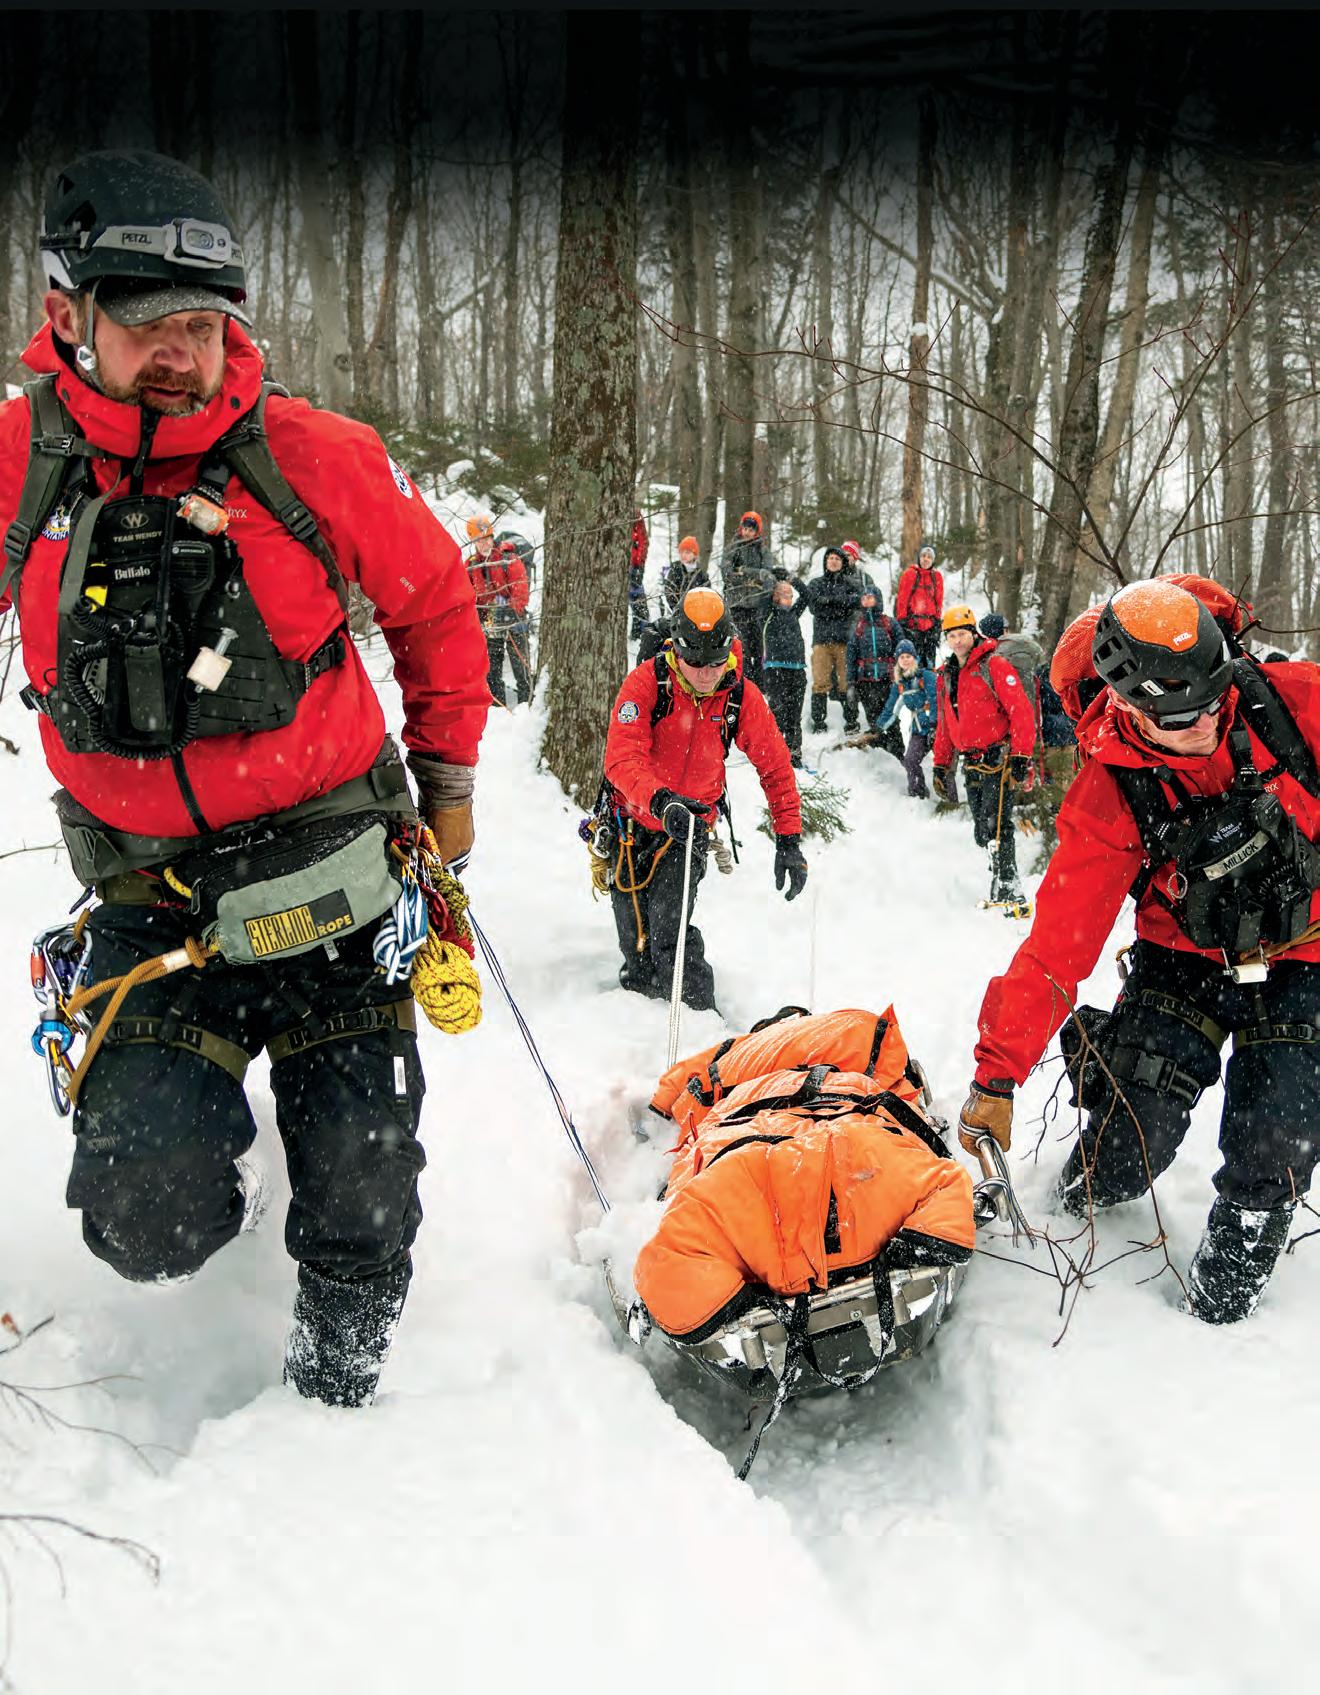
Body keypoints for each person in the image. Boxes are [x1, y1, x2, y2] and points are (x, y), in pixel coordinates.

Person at [0, 150, 491, 1408]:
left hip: (333, 869)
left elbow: (435, 603)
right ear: (66, 316)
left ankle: (334, 1407)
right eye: (149, 324)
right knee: (145, 1216)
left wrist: (446, 774)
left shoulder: (312, 459)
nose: (184, 351)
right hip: (153, 903)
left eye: (205, 325)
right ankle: (223, 1144)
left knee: (364, 1196)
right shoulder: (22, 466)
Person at [958, 578, 1320, 1325]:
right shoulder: (1108, 792)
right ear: (1130, 706)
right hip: (1182, 955)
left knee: (1275, 1139)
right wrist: (996, 1076)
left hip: (1304, 951)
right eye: (1181, 718)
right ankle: (1079, 1197)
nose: (1205, 727)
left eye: (1215, 702)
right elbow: (1057, 947)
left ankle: (1219, 1316)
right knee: (1134, 1129)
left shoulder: (1292, 701)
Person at [603, 588, 805, 1009]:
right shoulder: (646, 684)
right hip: (633, 821)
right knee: (634, 941)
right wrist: (660, 801)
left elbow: (776, 767)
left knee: (670, 933)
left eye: (714, 663)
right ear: (677, 650)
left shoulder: (739, 695)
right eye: (695, 663)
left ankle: (698, 1017)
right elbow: (621, 760)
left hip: (690, 827)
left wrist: (788, 838)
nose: (705, 674)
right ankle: (636, 1015)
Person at [932, 605, 1035, 910]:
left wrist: (1020, 755)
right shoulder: (948, 676)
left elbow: (1021, 712)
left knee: (998, 822)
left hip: (999, 756)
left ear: (973, 633)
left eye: (962, 634)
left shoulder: (995, 665)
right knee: (982, 829)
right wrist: (941, 763)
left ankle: (1009, 885)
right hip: (970, 760)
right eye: (952, 636)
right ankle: (998, 870)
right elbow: (946, 722)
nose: (958, 641)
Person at [465, 516, 531, 707]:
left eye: (487, 538)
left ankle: (525, 706)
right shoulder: (470, 566)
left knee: (521, 666)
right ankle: (498, 706)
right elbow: (463, 594)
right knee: (492, 669)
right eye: (479, 540)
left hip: (513, 619)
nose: (484, 543)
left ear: (493, 538)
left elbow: (521, 590)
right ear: (473, 542)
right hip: (489, 623)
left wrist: (511, 611)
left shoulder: (508, 559)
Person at [801, 544, 864, 734]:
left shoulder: (851, 583)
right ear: (825, 562)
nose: (833, 561)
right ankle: (819, 722)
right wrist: (839, 604)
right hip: (821, 640)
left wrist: (829, 601)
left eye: (837, 559)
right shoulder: (816, 583)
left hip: (844, 640)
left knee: (846, 681)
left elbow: (855, 602)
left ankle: (851, 722)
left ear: (843, 563)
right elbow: (814, 607)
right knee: (820, 681)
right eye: (830, 558)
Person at [846, 586, 905, 760]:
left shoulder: (890, 623)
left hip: (887, 680)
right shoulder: (858, 626)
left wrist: (902, 673)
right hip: (866, 681)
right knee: (873, 719)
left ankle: (898, 753)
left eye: (870, 597)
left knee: (891, 718)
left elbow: (902, 648)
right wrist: (850, 683)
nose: (866, 601)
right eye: (863, 598)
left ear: (877, 599)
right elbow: (851, 655)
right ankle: (880, 754)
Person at [718, 511, 776, 684]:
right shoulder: (732, 548)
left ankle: (760, 684)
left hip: (757, 605)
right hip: (736, 604)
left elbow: (767, 575)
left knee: (758, 647)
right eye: (745, 527)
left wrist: (743, 571)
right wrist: (754, 575)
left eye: (752, 528)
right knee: (740, 647)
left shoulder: (763, 550)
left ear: (757, 531)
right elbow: (727, 574)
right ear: (741, 528)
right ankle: (741, 681)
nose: (748, 532)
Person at [876, 640, 938, 798]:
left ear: (915, 658)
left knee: (943, 765)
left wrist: (934, 724)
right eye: (901, 657)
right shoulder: (900, 684)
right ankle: (918, 794)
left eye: (908, 656)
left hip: (938, 727)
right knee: (910, 760)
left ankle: (952, 804)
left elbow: (935, 699)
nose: (905, 659)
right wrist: (879, 727)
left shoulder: (926, 675)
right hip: (919, 729)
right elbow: (891, 708)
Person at [758, 577, 809, 767]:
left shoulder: (794, 613)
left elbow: (807, 595)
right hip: (775, 668)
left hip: (796, 669)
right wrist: (772, 584)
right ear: (776, 596)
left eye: (790, 594)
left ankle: (794, 752)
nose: (789, 597)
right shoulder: (767, 613)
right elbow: (763, 599)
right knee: (778, 711)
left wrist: (794, 580)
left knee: (794, 713)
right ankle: (776, 752)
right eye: (784, 594)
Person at [895, 541, 945, 666]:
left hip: (930, 627)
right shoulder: (910, 574)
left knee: (929, 664)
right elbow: (902, 599)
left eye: (929, 557)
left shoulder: (937, 577)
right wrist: (902, 620)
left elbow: (939, 601)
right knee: (913, 664)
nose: (926, 559)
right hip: (912, 626)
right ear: (919, 557)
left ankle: (929, 684)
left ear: (933, 560)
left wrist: (937, 623)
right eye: (923, 556)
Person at [661, 535, 709, 617]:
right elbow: (669, 592)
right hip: (676, 613)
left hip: (696, 614)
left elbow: (706, 596)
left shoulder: (701, 574)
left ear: (694, 554)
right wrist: (678, 611)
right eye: (681, 552)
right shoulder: (675, 569)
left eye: (687, 552)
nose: (683, 555)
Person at [629, 505, 649, 638]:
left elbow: (644, 542)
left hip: (636, 567)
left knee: (639, 601)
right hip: (627, 566)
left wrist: (640, 565)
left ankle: (640, 632)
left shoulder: (638, 519)